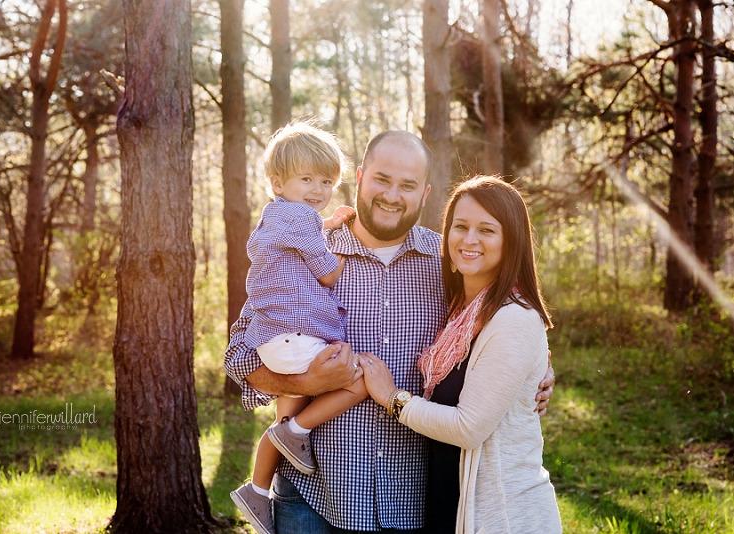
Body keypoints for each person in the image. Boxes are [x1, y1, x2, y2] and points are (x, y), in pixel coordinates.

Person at [225, 131, 556, 534]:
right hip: (315, 499)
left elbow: (498, 325)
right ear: (361, 177)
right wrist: (304, 379)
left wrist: (538, 372)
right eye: (382, 179)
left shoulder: (449, 262)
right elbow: (238, 357)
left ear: (425, 193)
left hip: (412, 500)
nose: (392, 195)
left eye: (408, 185)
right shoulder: (305, 247)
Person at [359, 175, 562, 533]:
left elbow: (468, 428)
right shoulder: (459, 314)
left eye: (486, 230)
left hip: (502, 515)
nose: (469, 240)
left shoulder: (513, 318)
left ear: (511, 242)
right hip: (450, 505)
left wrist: (392, 398)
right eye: (461, 226)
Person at [229, 122, 368, 534]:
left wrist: (326, 225)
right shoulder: (301, 219)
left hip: (273, 339)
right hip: (298, 339)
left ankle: (256, 491)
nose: (318, 190)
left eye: (327, 181)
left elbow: (302, 240)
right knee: (359, 378)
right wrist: (345, 254)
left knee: (283, 417)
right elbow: (325, 272)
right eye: (306, 179)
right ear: (276, 181)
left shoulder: (275, 218)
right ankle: (298, 430)